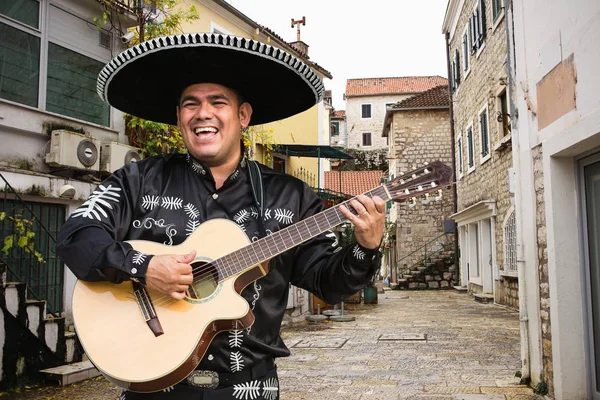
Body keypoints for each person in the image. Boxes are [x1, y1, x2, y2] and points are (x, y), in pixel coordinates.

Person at [56, 32, 386, 399]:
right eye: (190, 104)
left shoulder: (291, 197)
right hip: (151, 390)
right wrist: (144, 267)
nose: (203, 113)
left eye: (218, 102)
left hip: (249, 390)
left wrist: (366, 247)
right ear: (179, 117)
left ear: (243, 115)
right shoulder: (137, 180)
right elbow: (77, 235)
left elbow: (330, 284)